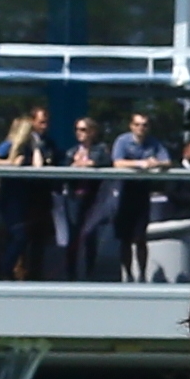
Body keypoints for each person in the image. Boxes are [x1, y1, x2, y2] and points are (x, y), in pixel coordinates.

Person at [0, 115, 55, 280]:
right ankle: (4, 268)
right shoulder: (10, 144)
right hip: (10, 196)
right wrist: (11, 164)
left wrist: (35, 146)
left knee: (21, 235)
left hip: (25, 197)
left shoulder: (29, 148)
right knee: (18, 235)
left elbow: (38, 166)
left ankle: (5, 268)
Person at [111, 112, 172, 283]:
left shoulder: (153, 143)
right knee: (125, 238)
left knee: (140, 237)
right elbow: (117, 163)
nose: (141, 128)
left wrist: (156, 163)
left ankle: (143, 275)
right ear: (131, 126)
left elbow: (167, 161)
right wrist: (140, 164)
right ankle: (128, 275)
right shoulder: (122, 141)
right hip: (124, 191)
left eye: (144, 125)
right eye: (137, 125)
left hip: (142, 192)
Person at [58, 116, 112, 282]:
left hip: (93, 198)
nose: (79, 133)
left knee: (90, 236)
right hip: (74, 198)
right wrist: (74, 166)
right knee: (73, 236)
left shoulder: (100, 150)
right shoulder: (72, 151)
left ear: (92, 132)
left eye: (83, 130)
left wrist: (91, 164)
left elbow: (106, 163)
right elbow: (63, 169)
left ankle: (90, 274)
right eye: (77, 130)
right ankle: (71, 275)